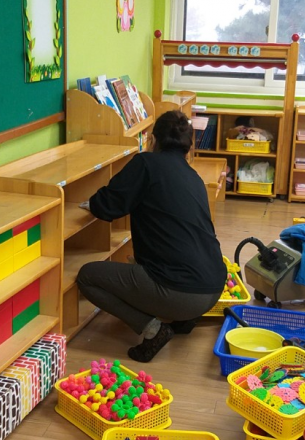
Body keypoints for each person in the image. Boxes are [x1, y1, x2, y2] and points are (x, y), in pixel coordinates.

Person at [76, 110, 226, 362]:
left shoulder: (145, 163)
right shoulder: (193, 176)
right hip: (213, 287)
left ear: (152, 140)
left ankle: (154, 329)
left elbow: (107, 206)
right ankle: (183, 318)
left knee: (87, 276)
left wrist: (89, 202)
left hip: (183, 293)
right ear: (189, 146)